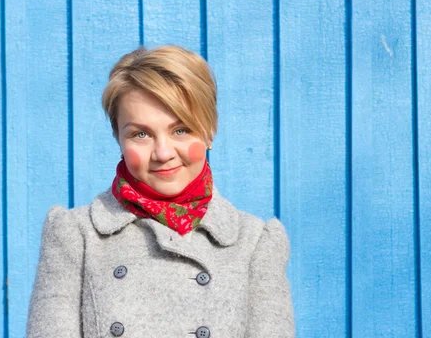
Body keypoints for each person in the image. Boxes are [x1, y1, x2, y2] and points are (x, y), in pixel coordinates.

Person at [26, 45, 294, 337]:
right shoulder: (74, 235)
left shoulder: (255, 243)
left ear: (209, 131)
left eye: (181, 130)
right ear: (119, 138)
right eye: (141, 134)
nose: (163, 153)